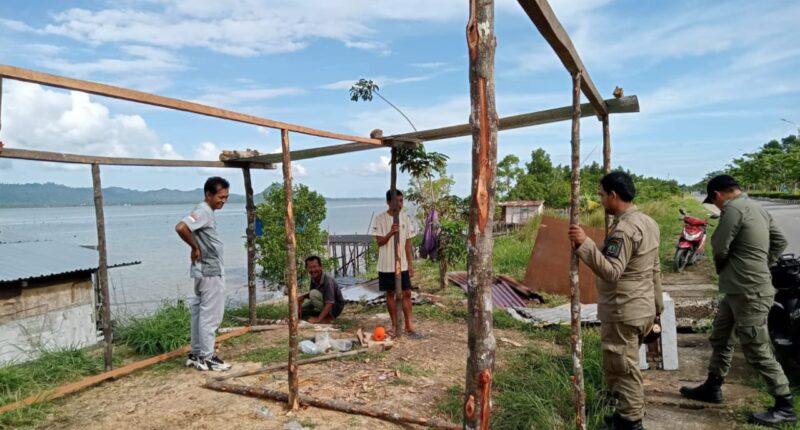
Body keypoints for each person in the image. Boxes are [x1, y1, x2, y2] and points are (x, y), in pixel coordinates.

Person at [680, 175, 795, 427]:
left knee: (756, 346)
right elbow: (780, 242)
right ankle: (713, 386)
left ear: (719, 195)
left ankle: (785, 405)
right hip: (739, 290)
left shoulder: (733, 208)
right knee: (721, 336)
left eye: (714, 201)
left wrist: (728, 265)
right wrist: (763, 264)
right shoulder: (758, 208)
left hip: (749, 291)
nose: (717, 205)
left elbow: (719, 246)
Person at [568, 172, 662, 430]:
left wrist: (584, 245)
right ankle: (624, 413)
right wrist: (657, 307)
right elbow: (655, 268)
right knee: (626, 364)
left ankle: (631, 422)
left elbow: (612, 271)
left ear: (614, 195)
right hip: (642, 307)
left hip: (624, 309)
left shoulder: (624, 229)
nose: (599, 200)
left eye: (601, 194)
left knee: (623, 368)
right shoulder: (649, 223)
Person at [175, 177, 232, 372]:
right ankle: (207, 358)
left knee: (199, 313)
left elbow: (186, 227)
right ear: (208, 194)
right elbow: (181, 227)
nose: (223, 201)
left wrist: (195, 247)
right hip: (210, 270)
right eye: (220, 197)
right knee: (211, 316)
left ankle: (197, 353)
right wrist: (194, 246)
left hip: (201, 271)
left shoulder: (203, 211)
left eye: (226, 197)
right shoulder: (204, 212)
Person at [372, 189, 419, 338]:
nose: (399, 204)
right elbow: (379, 242)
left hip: (402, 264)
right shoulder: (380, 219)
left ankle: (409, 325)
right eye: (395, 201)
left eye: (401, 201)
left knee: (406, 293)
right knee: (390, 293)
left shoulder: (405, 218)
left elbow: (408, 244)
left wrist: (410, 264)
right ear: (388, 202)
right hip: (386, 264)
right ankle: (394, 324)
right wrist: (391, 233)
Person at [298, 255, 345, 323]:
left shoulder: (328, 280)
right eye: (310, 267)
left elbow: (330, 303)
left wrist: (318, 319)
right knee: (303, 306)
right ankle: (317, 315)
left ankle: (328, 318)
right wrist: (301, 297)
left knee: (313, 293)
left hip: (334, 308)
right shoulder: (314, 278)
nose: (313, 270)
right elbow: (312, 295)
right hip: (324, 301)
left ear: (320, 267)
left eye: (315, 267)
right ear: (307, 269)